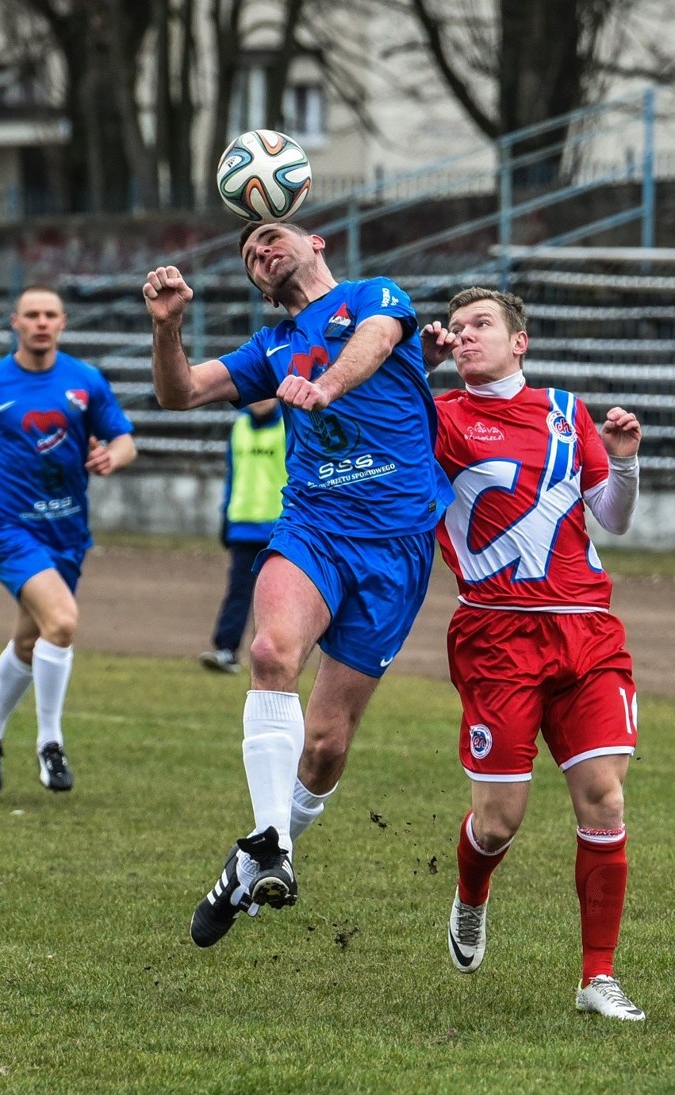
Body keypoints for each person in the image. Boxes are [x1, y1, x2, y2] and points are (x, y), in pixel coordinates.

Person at [143, 221, 452, 947]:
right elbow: (180, 392)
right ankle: (271, 843)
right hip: (312, 527)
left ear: (314, 239)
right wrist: (168, 328)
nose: (260, 251)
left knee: (326, 746)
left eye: (271, 236)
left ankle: (250, 865)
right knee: (271, 653)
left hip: (398, 546)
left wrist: (326, 385)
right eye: (249, 253)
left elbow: (375, 341)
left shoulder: (376, 296)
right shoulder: (269, 347)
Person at [422, 286, 645, 1020]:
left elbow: (608, 517)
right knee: (497, 824)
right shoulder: (439, 418)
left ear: (520, 341)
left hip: (586, 629)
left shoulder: (563, 411)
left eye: (480, 324)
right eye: (456, 329)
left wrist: (623, 464)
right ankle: (471, 896)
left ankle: (597, 978)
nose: (464, 336)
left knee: (604, 797)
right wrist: (412, 374)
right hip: (497, 637)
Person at [0, 284, 136, 794]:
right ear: (15, 323)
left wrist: (114, 456)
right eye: (32, 315)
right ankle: (50, 743)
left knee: (31, 640)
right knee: (63, 623)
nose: (41, 322)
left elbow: (124, 439)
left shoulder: (85, 381)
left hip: (67, 532)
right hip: (9, 529)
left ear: (63, 322)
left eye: (50, 314)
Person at [199, 397, 287, 675]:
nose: (259, 400)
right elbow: (233, 477)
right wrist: (226, 517)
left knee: (281, 597)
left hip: (280, 526)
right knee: (238, 592)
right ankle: (227, 650)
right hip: (243, 525)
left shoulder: (289, 426)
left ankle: (278, 655)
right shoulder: (239, 428)